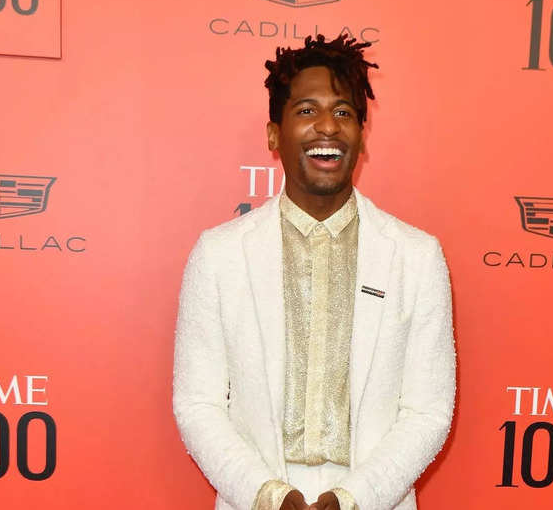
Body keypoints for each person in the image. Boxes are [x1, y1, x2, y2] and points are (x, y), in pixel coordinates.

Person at [173, 34, 455, 510]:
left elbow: (429, 411)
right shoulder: (219, 255)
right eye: (306, 110)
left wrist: (353, 499)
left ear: (362, 135)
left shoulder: (416, 256)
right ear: (272, 134)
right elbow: (197, 405)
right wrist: (266, 496)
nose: (328, 126)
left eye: (344, 112)